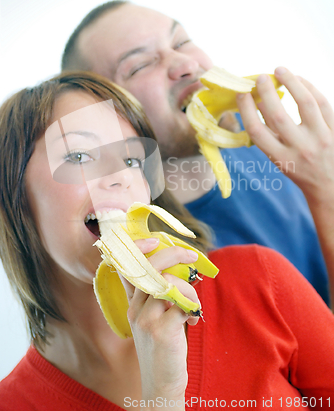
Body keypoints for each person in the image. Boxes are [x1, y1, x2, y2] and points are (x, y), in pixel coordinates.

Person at [0, 71, 333, 410]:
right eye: (79, 156)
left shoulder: (258, 280)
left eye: (131, 160)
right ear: (13, 193)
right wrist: (163, 397)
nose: (120, 178)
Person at [60, 0, 334, 305]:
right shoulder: (155, 263)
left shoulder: (272, 136)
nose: (185, 65)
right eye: (139, 66)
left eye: (181, 42)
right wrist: (326, 191)